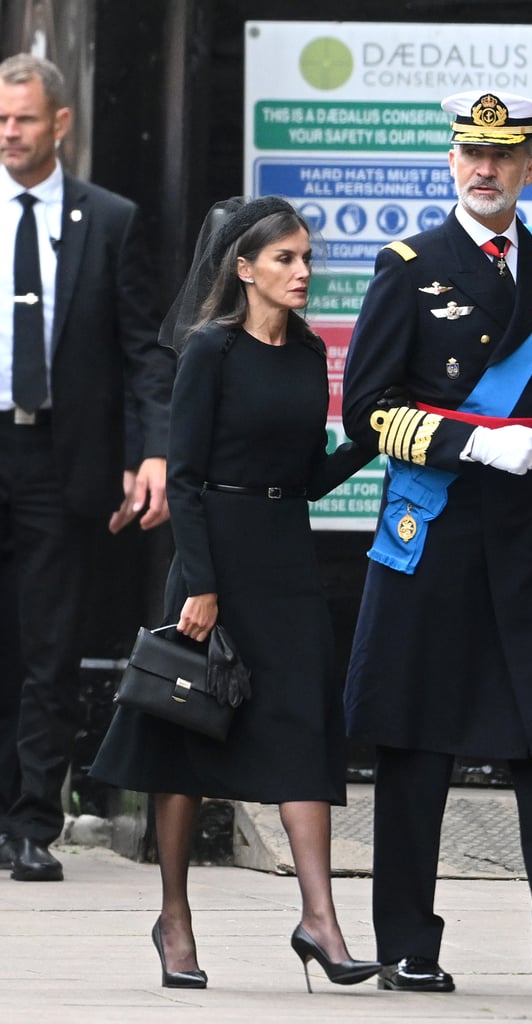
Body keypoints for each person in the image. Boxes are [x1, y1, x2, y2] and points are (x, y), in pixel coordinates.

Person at [342, 89, 532, 991]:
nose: (484, 169)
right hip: (436, 527)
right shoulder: (410, 265)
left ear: (530, 170)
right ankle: (406, 942)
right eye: (469, 154)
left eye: (502, 156)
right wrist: (470, 438)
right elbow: (366, 410)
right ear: (451, 163)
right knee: (417, 739)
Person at [91, 196, 380, 992]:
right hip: (215, 561)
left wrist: (371, 438)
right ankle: (174, 920)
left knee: (302, 731)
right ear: (244, 269)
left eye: (308, 258)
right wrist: (205, 585)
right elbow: (182, 478)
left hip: (287, 559)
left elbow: (307, 475)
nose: (303, 272)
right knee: (188, 738)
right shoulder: (208, 352)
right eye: (286, 259)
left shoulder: (305, 352)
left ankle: (319, 919)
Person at [0, 54, 173, 883]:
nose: (9, 131)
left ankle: (32, 821)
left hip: (60, 460)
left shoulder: (109, 219)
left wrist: (150, 450)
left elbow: (142, 349)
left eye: (24, 118)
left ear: (60, 122)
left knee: (49, 647)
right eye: (0, 118)